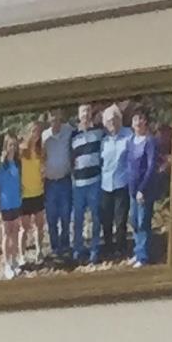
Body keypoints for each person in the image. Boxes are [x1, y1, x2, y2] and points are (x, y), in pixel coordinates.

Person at [96, 101, 136, 263]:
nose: (111, 123)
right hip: (106, 185)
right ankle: (108, 247)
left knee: (120, 220)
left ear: (120, 120)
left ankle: (121, 248)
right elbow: (100, 161)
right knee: (106, 219)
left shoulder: (129, 136)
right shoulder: (104, 140)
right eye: (108, 121)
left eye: (114, 119)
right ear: (105, 124)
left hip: (122, 184)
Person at [67, 100, 105, 264]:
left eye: (88, 111)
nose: (86, 114)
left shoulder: (99, 132)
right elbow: (71, 158)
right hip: (79, 185)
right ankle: (78, 249)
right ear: (78, 115)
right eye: (83, 111)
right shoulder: (73, 135)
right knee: (78, 219)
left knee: (96, 217)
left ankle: (95, 249)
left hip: (95, 182)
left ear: (91, 114)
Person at [40, 104, 76, 264]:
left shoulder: (69, 130)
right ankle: (55, 248)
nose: (55, 121)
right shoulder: (44, 136)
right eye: (52, 118)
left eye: (58, 117)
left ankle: (65, 246)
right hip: (49, 183)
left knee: (66, 216)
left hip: (65, 180)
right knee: (52, 217)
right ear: (48, 119)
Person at [125, 101, 161, 264]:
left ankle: (143, 256)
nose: (137, 123)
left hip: (144, 190)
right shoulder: (131, 140)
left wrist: (142, 189)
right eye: (135, 120)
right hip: (132, 189)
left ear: (145, 121)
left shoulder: (150, 141)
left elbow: (151, 166)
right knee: (133, 221)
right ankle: (137, 251)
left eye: (140, 119)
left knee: (143, 222)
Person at [0, 129, 27, 275]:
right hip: (4, 205)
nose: (12, 148)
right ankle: (7, 264)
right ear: (5, 146)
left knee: (16, 232)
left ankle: (14, 259)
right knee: (7, 234)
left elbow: (18, 183)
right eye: (10, 145)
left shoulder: (17, 162)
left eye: (14, 145)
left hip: (16, 203)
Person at [16, 119, 47, 269]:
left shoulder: (40, 150)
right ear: (29, 132)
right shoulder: (21, 151)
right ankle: (21, 256)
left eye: (39, 132)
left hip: (38, 192)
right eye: (34, 131)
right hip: (24, 195)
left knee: (39, 226)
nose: (36, 135)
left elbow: (42, 169)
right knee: (24, 228)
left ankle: (39, 251)